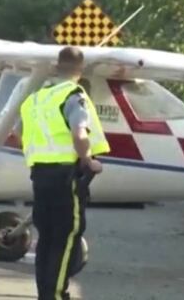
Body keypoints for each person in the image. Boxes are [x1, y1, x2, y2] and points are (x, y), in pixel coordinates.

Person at [20, 46, 110, 300]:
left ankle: (45, 295)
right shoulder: (73, 94)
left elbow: (19, 133)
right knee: (66, 237)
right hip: (66, 177)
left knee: (46, 241)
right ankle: (57, 295)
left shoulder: (36, 99)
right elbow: (79, 132)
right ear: (80, 71)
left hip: (39, 176)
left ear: (57, 68)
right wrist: (89, 160)